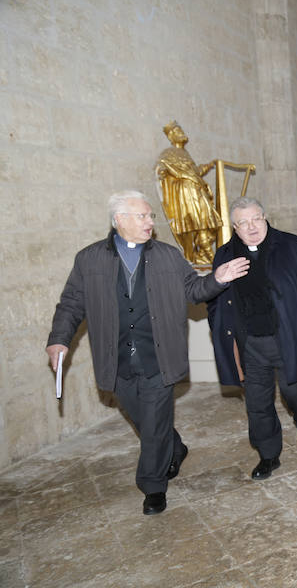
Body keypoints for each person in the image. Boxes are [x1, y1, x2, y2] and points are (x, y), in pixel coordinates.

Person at [46, 191, 249, 515]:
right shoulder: (89, 259)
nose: (151, 222)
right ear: (119, 220)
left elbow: (193, 290)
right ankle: (176, 447)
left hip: (159, 355)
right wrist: (59, 340)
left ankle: (153, 486)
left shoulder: (168, 256)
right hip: (117, 361)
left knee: (153, 423)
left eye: (150, 216)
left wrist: (217, 279)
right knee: (147, 419)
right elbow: (71, 303)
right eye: (143, 216)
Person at [207, 197, 297, 481]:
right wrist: (224, 333)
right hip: (250, 343)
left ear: (265, 217)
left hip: (287, 338)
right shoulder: (224, 255)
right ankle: (268, 454)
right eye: (243, 223)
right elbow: (214, 300)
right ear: (234, 227)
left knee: (296, 393)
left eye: (256, 219)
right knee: (257, 404)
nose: (251, 227)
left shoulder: (292, 245)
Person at [156, 121, 223, 266]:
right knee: (197, 224)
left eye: (181, 129)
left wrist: (209, 165)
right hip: (186, 193)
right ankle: (209, 258)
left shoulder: (185, 153)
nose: (182, 133)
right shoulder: (168, 153)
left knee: (207, 224)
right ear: (171, 136)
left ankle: (204, 256)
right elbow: (162, 168)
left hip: (197, 190)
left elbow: (195, 173)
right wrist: (163, 171)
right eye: (178, 130)